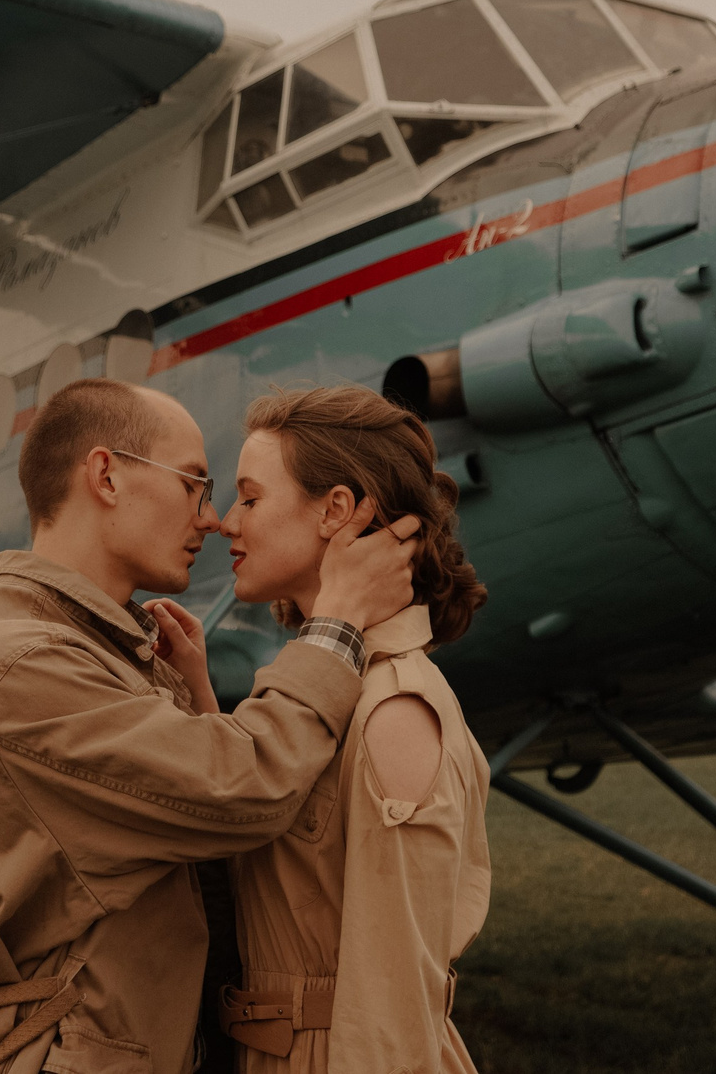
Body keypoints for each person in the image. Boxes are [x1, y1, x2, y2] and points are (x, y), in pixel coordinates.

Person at [0, 376, 424, 1074]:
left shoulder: (84, 649)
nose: (213, 519)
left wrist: (194, 698)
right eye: (193, 483)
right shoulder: (25, 667)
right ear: (106, 475)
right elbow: (244, 788)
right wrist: (337, 624)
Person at [188, 385, 492, 1074]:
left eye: (252, 497)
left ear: (337, 510)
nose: (227, 523)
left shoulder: (394, 711)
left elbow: (389, 1002)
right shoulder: (339, 692)